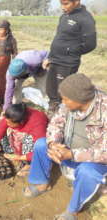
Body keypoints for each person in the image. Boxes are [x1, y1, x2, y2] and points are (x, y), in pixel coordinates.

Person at [24, 74, 107, 220]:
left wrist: (72, 155)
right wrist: (54, 143)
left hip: (94, 161)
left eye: (65, 99)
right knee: (41, 144)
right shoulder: (68, 106)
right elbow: (56, 123)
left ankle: (73, 210)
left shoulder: (104, 111)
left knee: (88, 172)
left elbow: (104, 153)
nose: (62, 102)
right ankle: (41, 183)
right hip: (67, 150)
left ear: (80, 100)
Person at [43, 0, 96, 115]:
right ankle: (52, 114)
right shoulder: (64, 16)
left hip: (67, 63)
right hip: (55, 60)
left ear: (77, 1)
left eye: (66, 4)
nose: (62, 7)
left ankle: (63, 118)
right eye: (61, 3)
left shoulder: (86, 18)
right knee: (51, 90)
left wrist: (71, 51)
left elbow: (91, 44)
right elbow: (59, 38)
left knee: (63, 93)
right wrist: (50, 57)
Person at [0, 103, 48, 176]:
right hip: (21, 135)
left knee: (29, 140)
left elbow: (41, 150)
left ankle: (30, 164)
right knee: (5, 132)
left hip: (37, 143)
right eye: (6, 121)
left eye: (9, 122)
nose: (6, 123)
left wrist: (19, 158)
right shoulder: (12, 116)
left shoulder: (38, 123)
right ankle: (17, 152)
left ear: (21, 122)